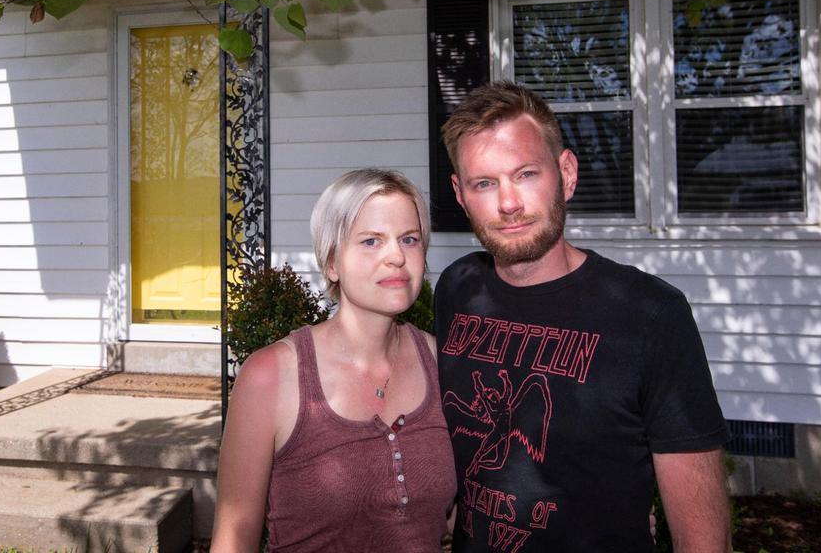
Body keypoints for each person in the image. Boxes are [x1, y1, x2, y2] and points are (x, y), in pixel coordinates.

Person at [434, 81, 732, 553]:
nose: (508, 203)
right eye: (484, 183)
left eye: (526, 174)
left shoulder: (648, 314)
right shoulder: (456, 288)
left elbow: (703, 537)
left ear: (566, 173)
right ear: (460, 194)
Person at [211, 169, 457, 552]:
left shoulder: (443, 364)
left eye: (409, 239)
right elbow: (233, 540)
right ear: (331, 262)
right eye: (371, 241)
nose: (395, 256)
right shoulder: (272, 376)